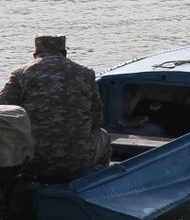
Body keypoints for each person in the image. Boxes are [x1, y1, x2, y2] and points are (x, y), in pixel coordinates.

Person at [0, 35, 111, 182]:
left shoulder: (19, 75)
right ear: (64, 52)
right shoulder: (85, 73)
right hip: (78, 159)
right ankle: (96, 183)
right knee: (104, 136)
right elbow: (97, 119)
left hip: (33, 161)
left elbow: (4, 112)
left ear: (35, 53)